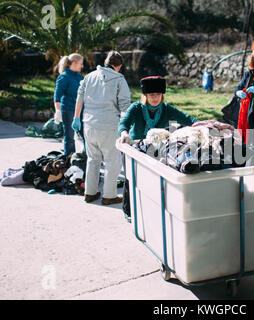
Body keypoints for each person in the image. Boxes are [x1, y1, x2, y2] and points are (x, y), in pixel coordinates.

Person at [118, 76, 198, 222]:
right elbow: (124, 122)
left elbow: (188, 119)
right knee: (131, 180)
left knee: (152, 182)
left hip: (154, 151)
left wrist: (204, 125)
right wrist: (124, 133)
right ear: (145, 95)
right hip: (135, 149)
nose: (155, 98)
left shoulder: (167, 109)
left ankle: (150, 210)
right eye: (151, 95)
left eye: (158, 95)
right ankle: (128, 210)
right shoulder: (136, 108)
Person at [72, 51, 131, 205]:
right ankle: (109, 195)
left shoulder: (89, 77)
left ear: (105, 61)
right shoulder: (119, 79)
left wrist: (76, 118)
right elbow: (124, 105)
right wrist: (127, 124)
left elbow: (80, 97)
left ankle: (90, 192)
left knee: (92, 159)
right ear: (118, 66)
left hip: (88, 125)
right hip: (108, 126)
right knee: (112, 161)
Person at [53, 53, 84, 156]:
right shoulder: (64, 77)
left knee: (84, 134)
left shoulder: (79, 76)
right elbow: (57, 96)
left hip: (80, 109)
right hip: (68, 109)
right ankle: (69, 159)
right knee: (69, 136)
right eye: (80, 63)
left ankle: (86, 158)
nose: (82, 66)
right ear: (74, 63)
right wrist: (58, 111)